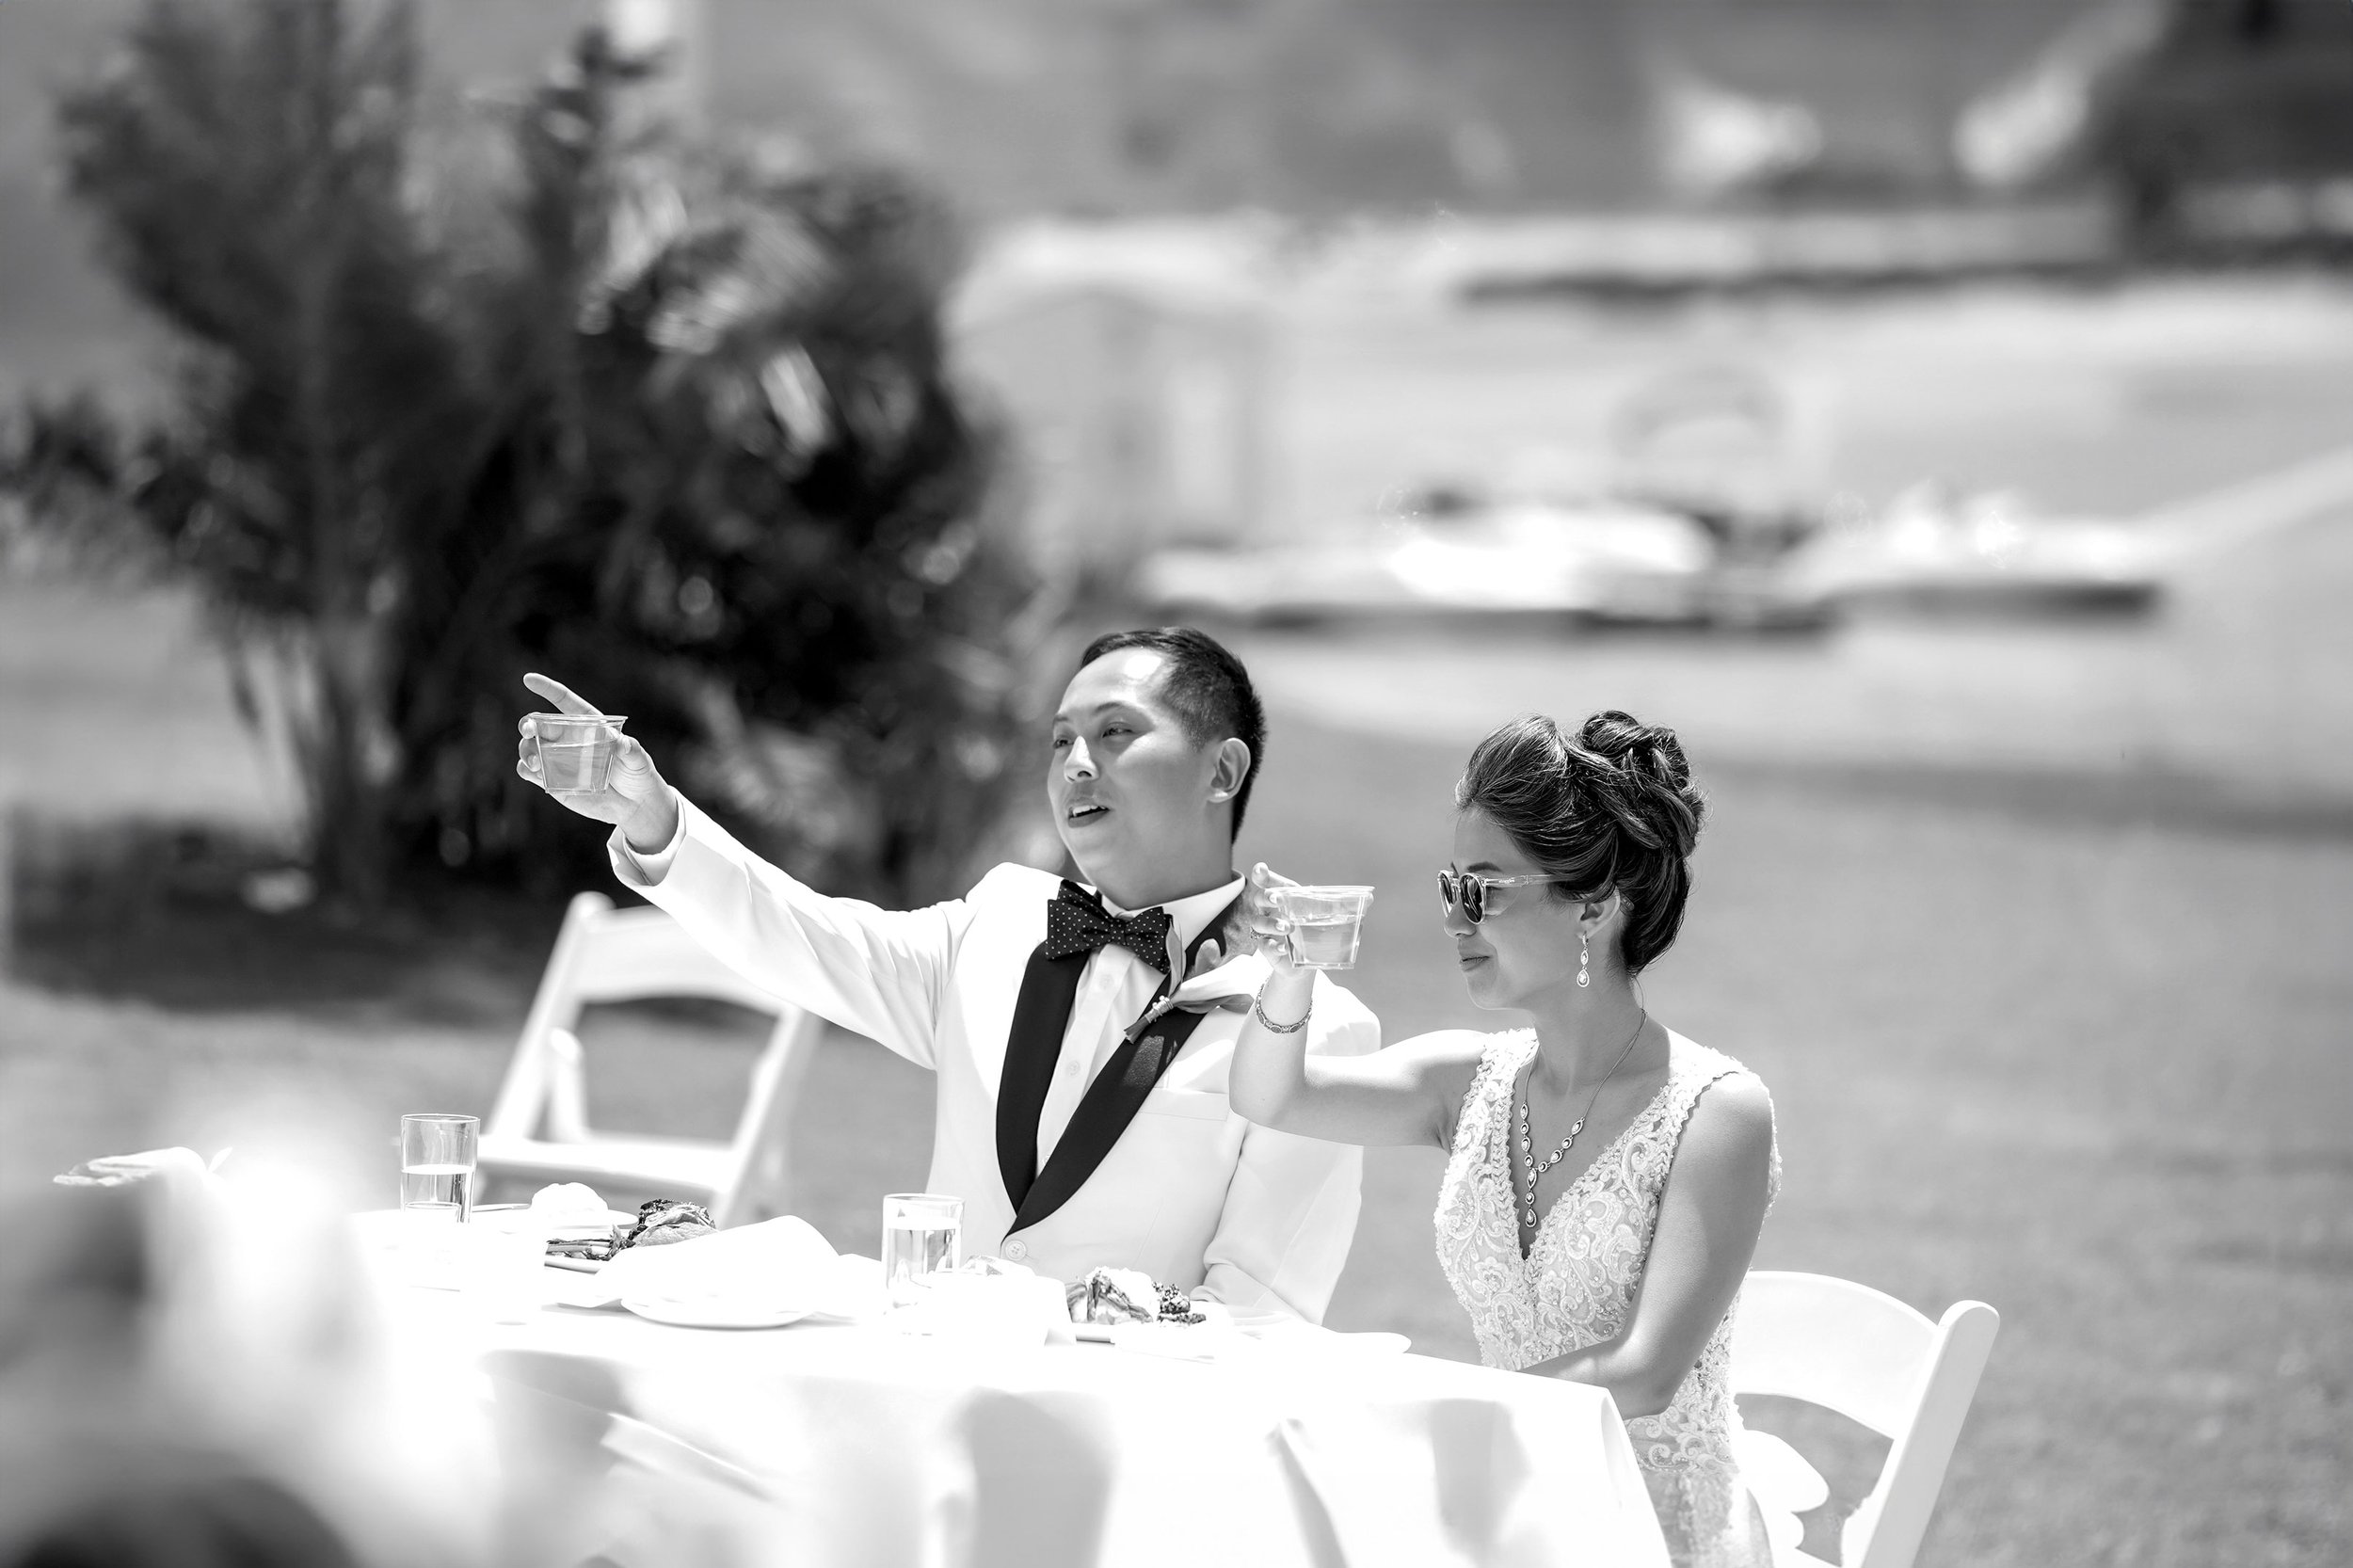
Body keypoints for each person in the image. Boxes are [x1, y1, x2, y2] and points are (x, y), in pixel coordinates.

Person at [516, 628, 1379, 1321]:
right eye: (1061, 740)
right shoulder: (999, 924)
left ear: (1222, 771)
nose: (1077, 762)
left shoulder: (1312, 1028)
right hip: (918, 1418)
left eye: (1116, 732)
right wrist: (654, 817)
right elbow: (801, 938)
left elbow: (1262, 1321)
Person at [1226, 711, 1779, 1568]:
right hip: (1498, 1509)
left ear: (1592, 906)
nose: (1454, 921)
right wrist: (1292, 963)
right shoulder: (1466, 1082)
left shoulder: (1717, 1112)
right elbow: (1274, 1094)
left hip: (1649, 1534)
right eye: (1452, 889)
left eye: (1481, 891)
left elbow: (1644, 1371)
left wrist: (1436, 1415)